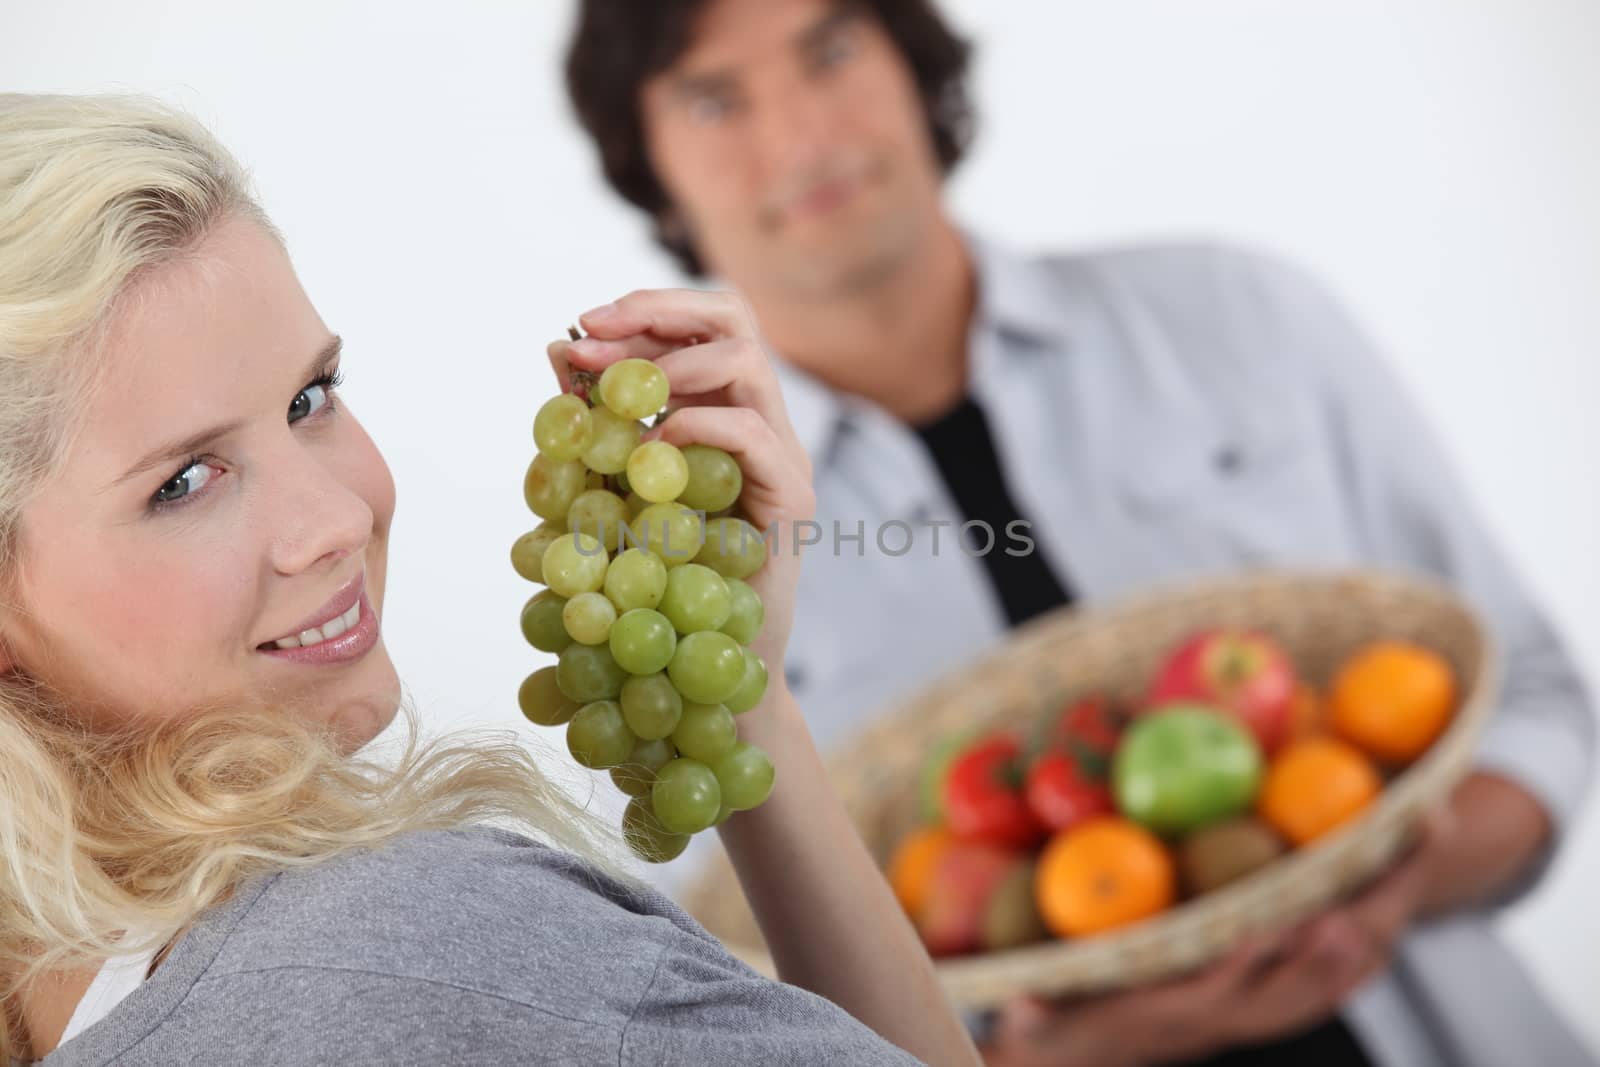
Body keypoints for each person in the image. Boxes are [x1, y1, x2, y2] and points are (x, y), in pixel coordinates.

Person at [561, 1, 1598, 1065]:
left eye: (828, 50)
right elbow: (739, 968)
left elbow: (1534, 691)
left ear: (913, 62)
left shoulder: (1239, 316)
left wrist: (1392, 883)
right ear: (648, 163)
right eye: (714, 98)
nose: (796, 134)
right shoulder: (684, 546)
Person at [0, 92, 979, 1067]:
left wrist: (725, 696)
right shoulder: (415, 942)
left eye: (310, 398)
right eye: (183, 481)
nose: (338, 519)